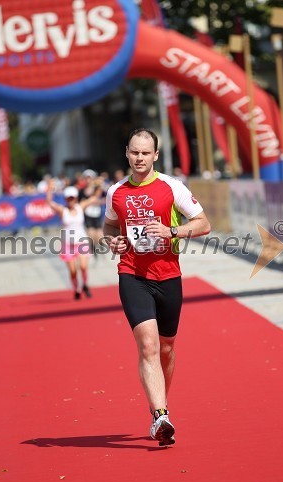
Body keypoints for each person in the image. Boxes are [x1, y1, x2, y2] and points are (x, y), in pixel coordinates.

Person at [103, 128, 211, 446]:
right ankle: (161, 415)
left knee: (166, 348)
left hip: (168, 276)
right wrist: (113, 240)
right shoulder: (116, 192)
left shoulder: (171, 187)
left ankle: (160, 407)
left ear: (155, 156)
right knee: (148, 346)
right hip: (132, 276)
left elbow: (204, 224)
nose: (139, 158)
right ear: (127, 153)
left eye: (145, 153)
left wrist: (172, 231)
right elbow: (109, 225)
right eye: (134, 152)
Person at [47, 182, 97, 300]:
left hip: (81, 242)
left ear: (76, 198)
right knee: (73, 271)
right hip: (67, 244)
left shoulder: (81, 207)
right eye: (68, 198)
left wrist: (96, 184)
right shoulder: (62, 210)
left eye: (72, 198)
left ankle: (85, 284)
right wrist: (49, 190)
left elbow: (94, 198)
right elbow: (50, 203)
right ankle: (76, 289)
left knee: (83, 267)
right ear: (65, 199)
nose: (70, 200)